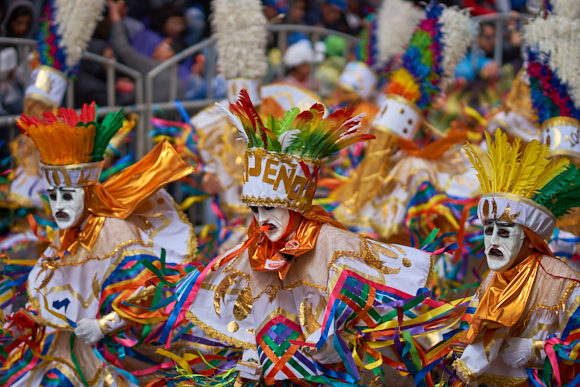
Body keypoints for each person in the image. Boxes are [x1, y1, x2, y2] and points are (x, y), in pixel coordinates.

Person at [144, 90, 437, 386]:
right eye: (255, 209)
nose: (260, 219)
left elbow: (361, 301)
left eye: (270, 208)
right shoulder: (256, 247)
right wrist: (249, 353)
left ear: (294, 205)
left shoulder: (330, 243)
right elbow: (249, 308)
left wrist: (328, 336)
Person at [0, 104, 197, 386]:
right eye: (53, 196)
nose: (58, 207)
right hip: (65, 350)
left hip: (108, 354)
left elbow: (152, 292)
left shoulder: (114, 231)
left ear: (89, 193)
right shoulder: (65, 234)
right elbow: (54, 290)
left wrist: (103, 325)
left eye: (67, 196)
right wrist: (28, 321)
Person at [451, 128, 580, 385]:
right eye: (489, 230)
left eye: (505, 231)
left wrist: (537, 350)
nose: (494, 241)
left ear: (529, 237)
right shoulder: (495, 277)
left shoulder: (563, 282)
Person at [107, 0, 185, 101]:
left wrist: (115, 15)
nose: (157, 47)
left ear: (170, 54)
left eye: (162, 46)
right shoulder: (180, 82)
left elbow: (124, 50)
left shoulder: (154, 68)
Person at [74, 38, 136, 108]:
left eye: (113, 56)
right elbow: (117, 101)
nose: (113, 61)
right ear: (96, 62)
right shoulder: (85, 83)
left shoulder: (97, 77)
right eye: (108, 58)